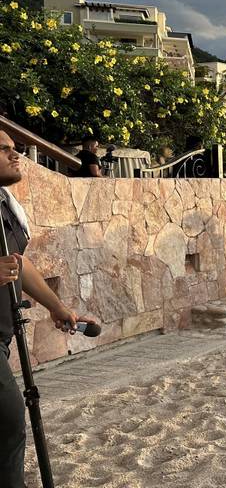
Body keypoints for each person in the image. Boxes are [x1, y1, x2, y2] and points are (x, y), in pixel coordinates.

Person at [1, 131, 98, 486]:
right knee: (8, 429)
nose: (17, 156)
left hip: (2, 337)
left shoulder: (5, 207)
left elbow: (18, 264)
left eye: (16, 149)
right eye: (5, 149)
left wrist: (57, 307)